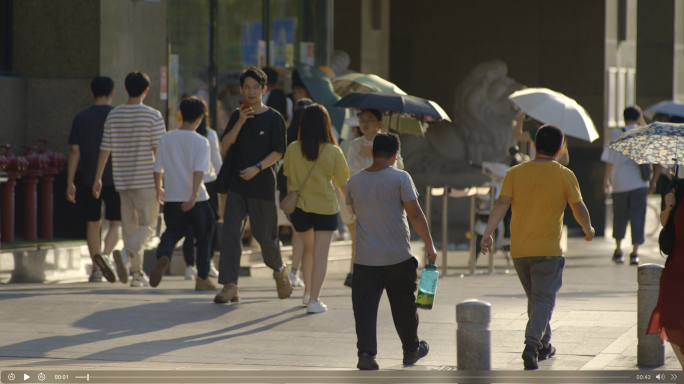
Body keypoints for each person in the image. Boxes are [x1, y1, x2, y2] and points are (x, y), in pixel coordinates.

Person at [481, 125, 594, 370]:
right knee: (543, 299)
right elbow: (579, 208)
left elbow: (502, 203)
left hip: (520, 250)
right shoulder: (565, 174)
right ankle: (531, 345)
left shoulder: (514, 173)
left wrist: (488, 233)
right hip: (548, 250)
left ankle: (544, 344)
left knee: (536, 299)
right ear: (560, 148)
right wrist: (588, 230)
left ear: (534, 145)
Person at [346, 133, 436, 370]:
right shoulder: (401, 178)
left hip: (365, 259)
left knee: (364, 309)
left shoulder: (354, 181)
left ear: (372, 153)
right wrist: (429, 244)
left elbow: (352, 211)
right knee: (404, 305)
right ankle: (410, 350)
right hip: (398, 256)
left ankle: (366, 355)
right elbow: (415, 214)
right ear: (396, 155)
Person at [215, 67, 292, 303]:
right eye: (247, 87)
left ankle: (279, 271)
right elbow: (224, 147)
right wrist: (239, 122)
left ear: (264, 90)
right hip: (237, 185)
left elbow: (279, 152)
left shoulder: (274, 118)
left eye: (256, 87)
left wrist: (258, 167)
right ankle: (229, 285)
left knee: (265, 237)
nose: (251, 91)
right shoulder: (238, 115)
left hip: (263, 186)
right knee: (230, 233)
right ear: (241, 89)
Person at [93, 71, 166, 288]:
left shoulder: (114, 115)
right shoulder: (153, 116)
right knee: (149, 226)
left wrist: (98, 178)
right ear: (146, 90)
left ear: (125, 89)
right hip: (146, 181)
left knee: (130, 228)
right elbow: (158, 153)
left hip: (122, 181)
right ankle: (125, 255)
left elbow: (105, 149)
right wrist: (160, 183)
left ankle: (136, 274)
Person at [283, 104, 350, 313]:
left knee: (308, 249)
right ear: (326, 125)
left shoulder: (293, 148)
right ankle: (313, 300)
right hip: (325, 209)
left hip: (300, 208)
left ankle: (306, 294)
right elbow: (342, 184)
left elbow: (289, 180)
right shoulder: (334, 151)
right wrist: (351, 206)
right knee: (320, 255)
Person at [149, 97, 217, 291]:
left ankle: (164, 254)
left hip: (171, 196)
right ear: (200, 117)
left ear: (181, 115)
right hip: (197, 199)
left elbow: (157, 168)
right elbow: (198, 171)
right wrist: (194, 196)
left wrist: (158, 188)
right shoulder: (201, 141)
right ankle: (202, 277)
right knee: (204, 235)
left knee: (173, 231)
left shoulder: (166, 138)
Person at [66, 76, 121, 283]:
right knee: (116, 223)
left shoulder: (81, 117)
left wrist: (70, 181)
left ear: (91, 93)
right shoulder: (117, 115)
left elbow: (74, 151)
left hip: (89, 177)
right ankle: (105, 255)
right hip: (116, 178)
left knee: (92, 224)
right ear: (112, 93)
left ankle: (97, 270)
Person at [343, 109, 405, 287]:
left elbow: (399, 167)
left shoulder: (389, 142)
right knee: (359, 238)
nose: (365, 123)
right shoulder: (356, 145)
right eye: (362, 119)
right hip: (362, 197)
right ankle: (355, 273)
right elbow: (349, 173)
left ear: (379, 122)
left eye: (370, 119)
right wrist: (362, 156)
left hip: (383, 198)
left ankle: (381, 273)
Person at [601, 106, 648, 265]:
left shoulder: (617, 134)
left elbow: (609, 160)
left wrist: (605, 181)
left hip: (619, 184)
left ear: (623, 117)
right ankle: (635, 253)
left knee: (619, 216)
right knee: (638, 217)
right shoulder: (643, 133)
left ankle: (619, 250)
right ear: (638, 118)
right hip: (639, 184)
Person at [647, 186, 684, 371]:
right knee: (672, 319)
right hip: (677, 268)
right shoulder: (680, 189)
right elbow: (666, 225)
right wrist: (668, 208)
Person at [279, 97, 314, 287]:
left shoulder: (289, 138)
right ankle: (297, 274)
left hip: (291, 196)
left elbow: (288, 176)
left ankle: (294, 272)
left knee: (297, 234)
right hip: (311, 198)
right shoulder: (319, 142)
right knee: (308, 240)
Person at [182, 116, 222, 281]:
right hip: (208, 183)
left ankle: (190, 266)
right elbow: (216, 159)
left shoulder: (180, 134)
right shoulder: (209, 134)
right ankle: (206, 263)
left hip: (188, 183)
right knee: (209, 224)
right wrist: (224, 179)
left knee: (190, 225)